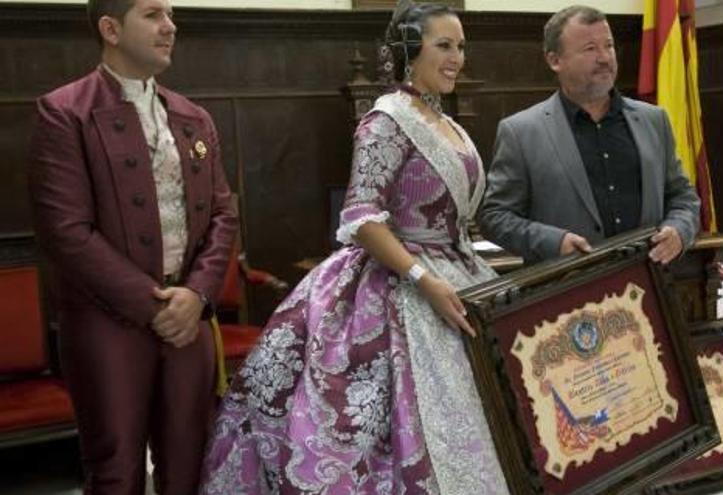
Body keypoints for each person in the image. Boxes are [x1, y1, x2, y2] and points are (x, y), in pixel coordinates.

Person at [199, 2, 508, 493]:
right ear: (410, 48)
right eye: (444, 45)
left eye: (462, 46)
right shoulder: (386, 119)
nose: (457, 58)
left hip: (460, 274)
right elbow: (363, 217)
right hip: (399, 286)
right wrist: (423, 279)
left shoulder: (450, 125)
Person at [28, 0, 238, 492]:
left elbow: (224, 214)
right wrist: (154, 306)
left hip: (189, 321)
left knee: (189, 466)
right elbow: (66, 231)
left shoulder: (193, 117)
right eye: (152, 14)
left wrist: (196, 295)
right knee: (116, 471)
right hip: (106, 323)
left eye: (170, 14)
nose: (170, 26)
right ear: (110, 29)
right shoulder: (64, 113)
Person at [478, 5, 700, 265]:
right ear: (554, 60)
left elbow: (683, 197)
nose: (605, 57)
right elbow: (495, 216)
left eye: (609, 45)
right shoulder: (521, 132)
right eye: (590, 49)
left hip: (648, 285)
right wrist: (552, 241)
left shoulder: (654, 120)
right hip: (567, 291)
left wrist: (679, 230)